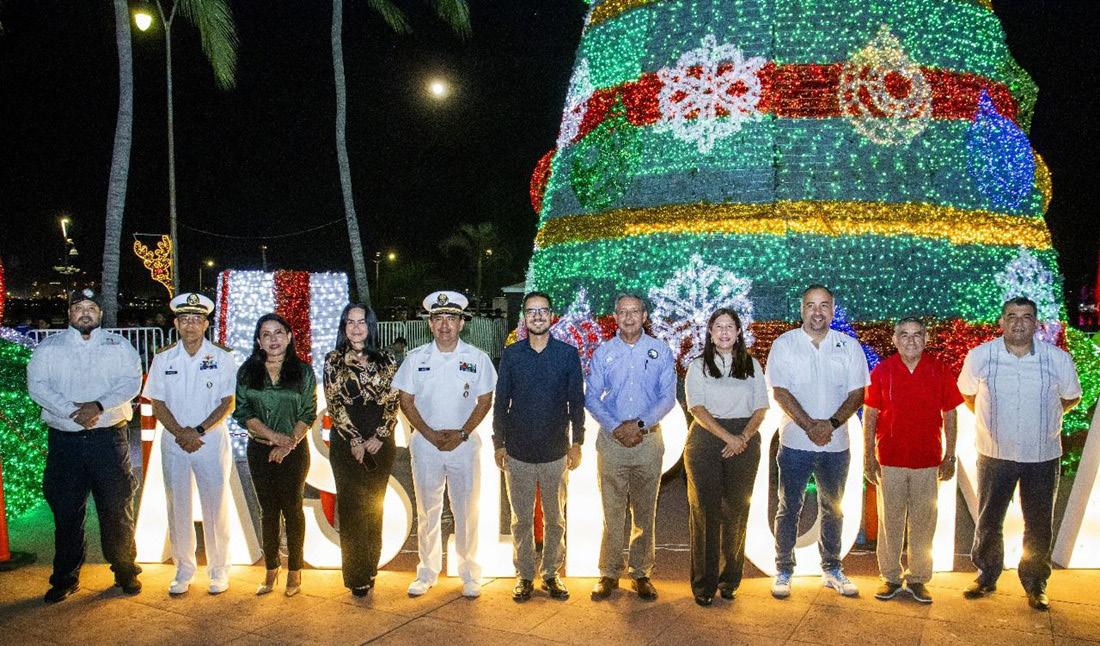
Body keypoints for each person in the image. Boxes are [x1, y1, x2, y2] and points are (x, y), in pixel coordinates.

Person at [958, 297, 1081, 611]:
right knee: (989, 519)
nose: (1018, 323)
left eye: (1026, 317)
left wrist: (1046, 420)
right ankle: (987, 575)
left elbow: (1071, 397)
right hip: (994, 454)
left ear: (1036, 323)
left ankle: (1035, 582)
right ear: (1001, 321)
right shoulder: (981, 356)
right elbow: (968, 394)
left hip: (1042, 455)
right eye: (1011, 316)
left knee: (1038, 523)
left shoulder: (1057, 359)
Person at [27, 288, 144, 603]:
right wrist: (71, 411)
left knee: (117, 510)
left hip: (108, 440)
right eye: (79, 307)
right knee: (66, 512)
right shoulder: (49, 348)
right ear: (69, 313)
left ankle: (125, 571)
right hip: (65, 441)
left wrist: (98, 406)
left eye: (91, 307)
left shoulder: (119, 346)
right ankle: (65, 578)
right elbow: (37, 387)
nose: (85, 313)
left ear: (100, 313)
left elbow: (131, 382)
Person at [765, 284, 869, 599]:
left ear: (832, 309)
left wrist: (831, 424)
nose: (817, 311)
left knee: (834, 509)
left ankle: (832, 568)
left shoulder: (848, 346)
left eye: (824, 305)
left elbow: (858, 393)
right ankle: (784, 569)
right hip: (795, 444)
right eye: (811, 305)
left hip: (836, 446)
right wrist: (810, 426)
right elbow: (780, 391)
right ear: (802, 309)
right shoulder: (785, 344)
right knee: (788, 507)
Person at [392, 291, 496, 598]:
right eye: (438, 318)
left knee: (467, 510)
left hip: (464, 444)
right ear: (430, 323)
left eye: (451, 318)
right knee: (428, 511)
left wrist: (462, 433)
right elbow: (405, 400)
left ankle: (470, 572)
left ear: (462, 323)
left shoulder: (477, 358)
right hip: (426, 444)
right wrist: (428, 433)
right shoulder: (416, 358)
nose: (445, 325)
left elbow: (485, 400)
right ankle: (427, 572)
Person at [142, 293, 237, 596]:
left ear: (206, 324)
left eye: (197, 319)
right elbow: (157, 402)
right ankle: (183, 569)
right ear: (176, 324)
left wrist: (197, 431)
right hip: (174, 441)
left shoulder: (222, 357)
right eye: (185, 320)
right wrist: (181, 433)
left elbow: (228, 402)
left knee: (215, 506)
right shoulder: (163, 358)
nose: (191, 325)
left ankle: (219, 570)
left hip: (210, 439)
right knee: (178, 506)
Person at [863, 317, 963, 604]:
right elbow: (870, 414)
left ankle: (918, 578)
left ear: (926, 339)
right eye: (904, 335)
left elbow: (951, 414)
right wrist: (868, 456)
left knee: (923, 522)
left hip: (928, 461)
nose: (911, 340)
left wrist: (950, 455)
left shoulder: (939, 370)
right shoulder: (883, 371)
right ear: (894, 340)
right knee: (889, 522)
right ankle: (891, 577)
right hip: (890, 460)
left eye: (917, 335)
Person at [493, 291, 584, 602]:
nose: (537, 316)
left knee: (555, 518)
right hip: (517, 452)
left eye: (543, 310)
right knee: (520, 519)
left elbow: (576, 403)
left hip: (555, 452)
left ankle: (551, 573)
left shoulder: (567, 355)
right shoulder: (512, 355)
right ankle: (524, 575)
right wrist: (498, 443)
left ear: (551, 315)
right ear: (524, 316)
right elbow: (500, 402)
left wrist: (577, 442)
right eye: (531, 311)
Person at [586, 294, 676, 601]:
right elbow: (591, 397)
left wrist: (638, 425)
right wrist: (616, 427)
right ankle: (609, 572)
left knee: (645, 512)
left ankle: (641, 572)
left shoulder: (660, 351)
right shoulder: (604, 352)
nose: (628, 317)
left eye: (634, 311)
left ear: (644, 315)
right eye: (622, 312)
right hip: (612, 442)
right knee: (611, 512)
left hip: (647, 441)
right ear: (615, 316)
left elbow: (667, 397)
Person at [683, 308, 769, 606]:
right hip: (707, 439)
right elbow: (697, 408)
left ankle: (730, 579)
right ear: (710, 332)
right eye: (718, 327)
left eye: (729, 326)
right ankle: (704, 585)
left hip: (744, 440)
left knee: (737, 510)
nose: (724, 332)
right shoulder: (698, 366)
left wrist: (742, 437)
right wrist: (728, 438)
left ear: (738, 332)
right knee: (705, 513)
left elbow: (761, 407)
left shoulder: (752, 365)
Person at [233, 313, 317, 597]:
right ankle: (271, 567)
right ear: (258, 341)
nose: (273, 339)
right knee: (268, 511)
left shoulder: (303, 371)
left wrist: (288, 444)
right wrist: (273, 437)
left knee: (292, 509)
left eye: (278, 332)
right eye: (266, 334)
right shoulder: (247, 372)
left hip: (295, 449)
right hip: (259, 449)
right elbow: (242, 412)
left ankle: (295, 569)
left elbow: (308, 412)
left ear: (289, 336)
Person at [323, 303, 399, 597]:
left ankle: (370, 566)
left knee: (374, 506)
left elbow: (394, 400)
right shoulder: (333, 360)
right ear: (344, 327)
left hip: (380, 440)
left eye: (362, 322)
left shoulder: (387, 358)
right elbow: (334, 403)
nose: (356, 328)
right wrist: (355, 440)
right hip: (346, 442)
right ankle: (356, 576)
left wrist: (380, 435)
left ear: (371, 326)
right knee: (352, 508)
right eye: (350, 322)